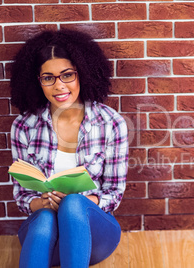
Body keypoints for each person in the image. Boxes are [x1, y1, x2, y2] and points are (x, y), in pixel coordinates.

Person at [10, 29, 128, 267]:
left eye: (67, 75)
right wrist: (43, 203)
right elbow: (22, 195)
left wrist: (72, 202)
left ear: (81, 74)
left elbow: (114, 192)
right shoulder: (24, 126)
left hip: (95, 237)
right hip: (45, 239)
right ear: (38, 81)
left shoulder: (110, 123)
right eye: (48, 77)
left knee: (73, 204)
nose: (59, 86)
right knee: (43, 217)